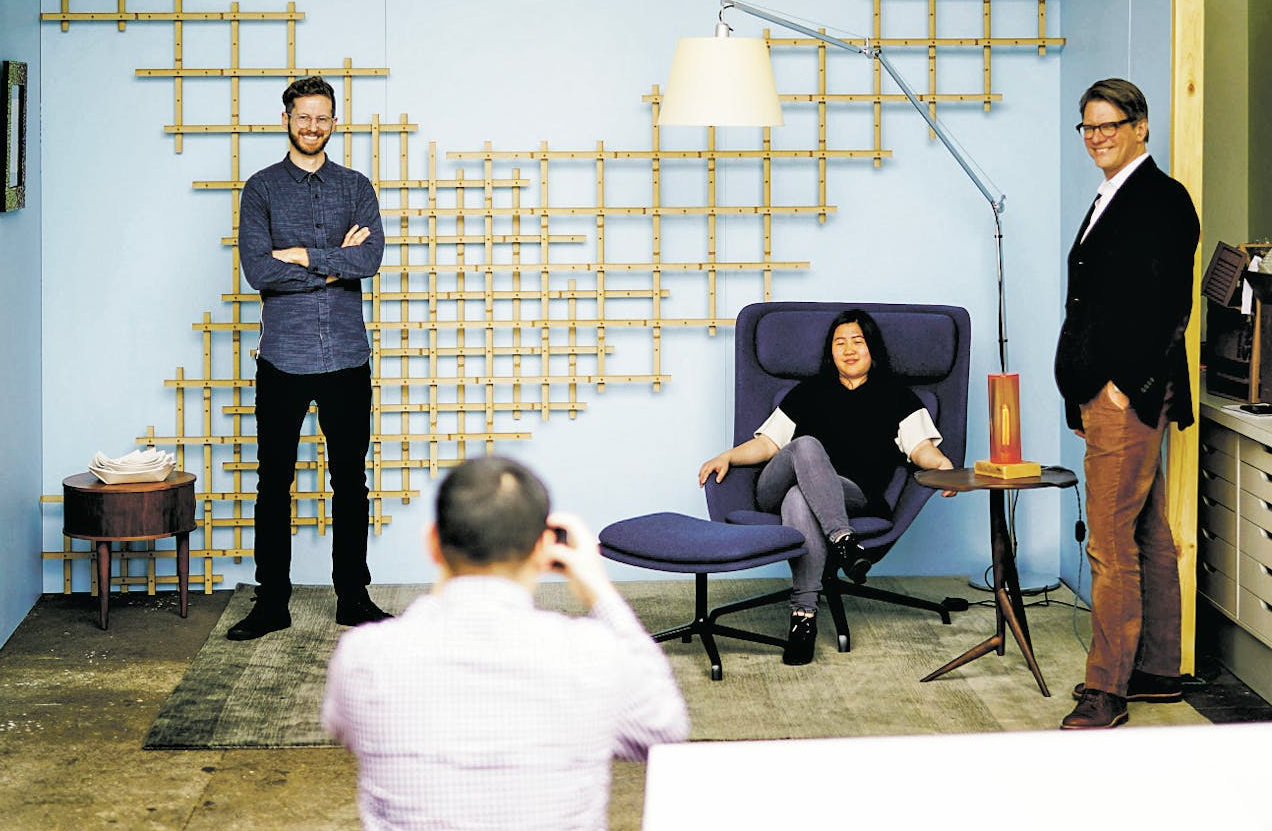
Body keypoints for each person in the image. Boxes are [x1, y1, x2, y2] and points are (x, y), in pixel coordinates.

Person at [321, 456, 689, 831]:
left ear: (433, 543)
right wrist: (599, 589)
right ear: (545, 550)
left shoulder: (363, 657)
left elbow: (343, 727)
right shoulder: (594, 655)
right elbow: (666, 728)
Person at [1054, 78, 1199, 730]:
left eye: (1109, 125)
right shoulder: (1111, 196)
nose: (1097, 138)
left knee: (1110, 541)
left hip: (1126, 395)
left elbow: (1170, 307)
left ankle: (1106, 690)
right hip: (1106, 390)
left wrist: (1121, 388)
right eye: (1087, 127)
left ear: (1141, 126)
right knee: (1145, 531)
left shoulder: (1161, 200)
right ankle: (1159, 670)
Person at [698, 308, 955, 666]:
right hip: (774, 486)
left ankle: (803, 620)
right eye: (840, 343)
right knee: (805, 446)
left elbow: (921, 448)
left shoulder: (898, 397)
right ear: (830, 352)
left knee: (799, 497)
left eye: (857, 341)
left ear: (872, 349)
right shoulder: (807, 392)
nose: (849, 350)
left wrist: (942, 464)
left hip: (851, 494)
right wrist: (729, 455)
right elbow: (768, 445)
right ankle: (844, 541)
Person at [230, 76, 387, 640]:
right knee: (274, 484)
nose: (312, 127)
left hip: (347, 357)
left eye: (322, 118)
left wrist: (299, 255)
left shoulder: (356, 186)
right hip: (283, 360)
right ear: (286, 119)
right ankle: (271, 603)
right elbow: (258, 271)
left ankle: (354, 597)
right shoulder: (262, 189)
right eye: (303, 117)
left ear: (335, 121)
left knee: (351, 482)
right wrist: (331, 263)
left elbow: (369, 258)